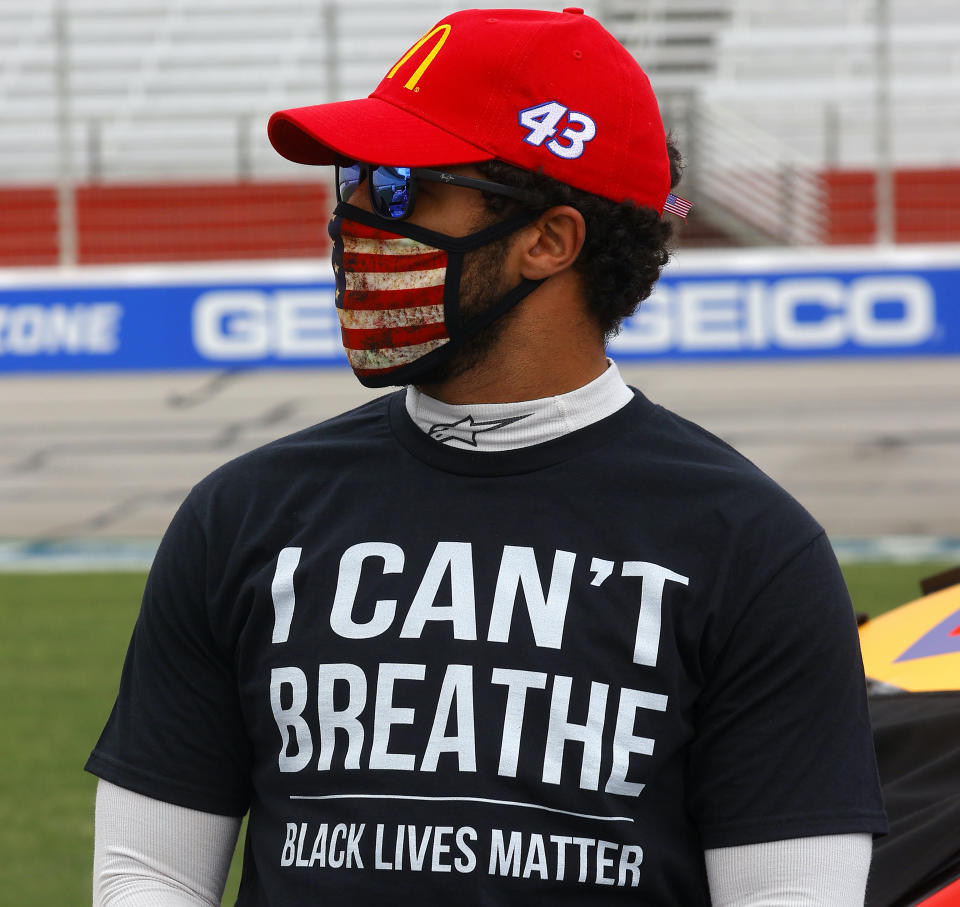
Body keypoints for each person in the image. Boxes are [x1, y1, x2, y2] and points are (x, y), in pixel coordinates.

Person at [87, 8, 887, 905]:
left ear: (549, 239)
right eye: (352, 179)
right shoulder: (240, 515)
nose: (351, 220)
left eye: (396, 189)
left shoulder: (752, 548)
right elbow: (147, 872)